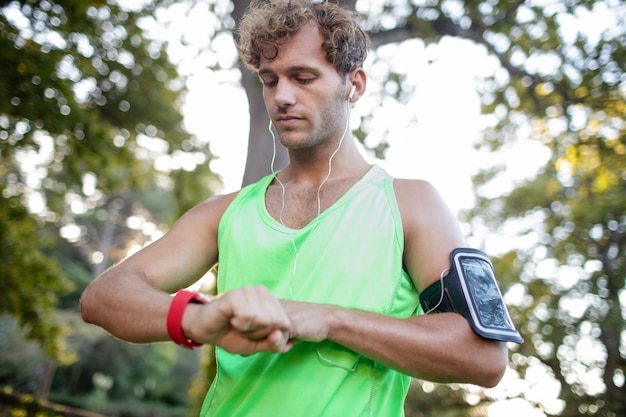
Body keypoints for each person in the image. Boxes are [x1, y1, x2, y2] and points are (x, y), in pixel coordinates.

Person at [80, 1, 512, 416]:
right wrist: (197, 316)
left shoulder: (412, 204)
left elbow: (483, 357)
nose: (281, 96)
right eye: (270, 80)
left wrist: (328, 319)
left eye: (303, 77)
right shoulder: (223, 213)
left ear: (354, 85)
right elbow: (103, 297)